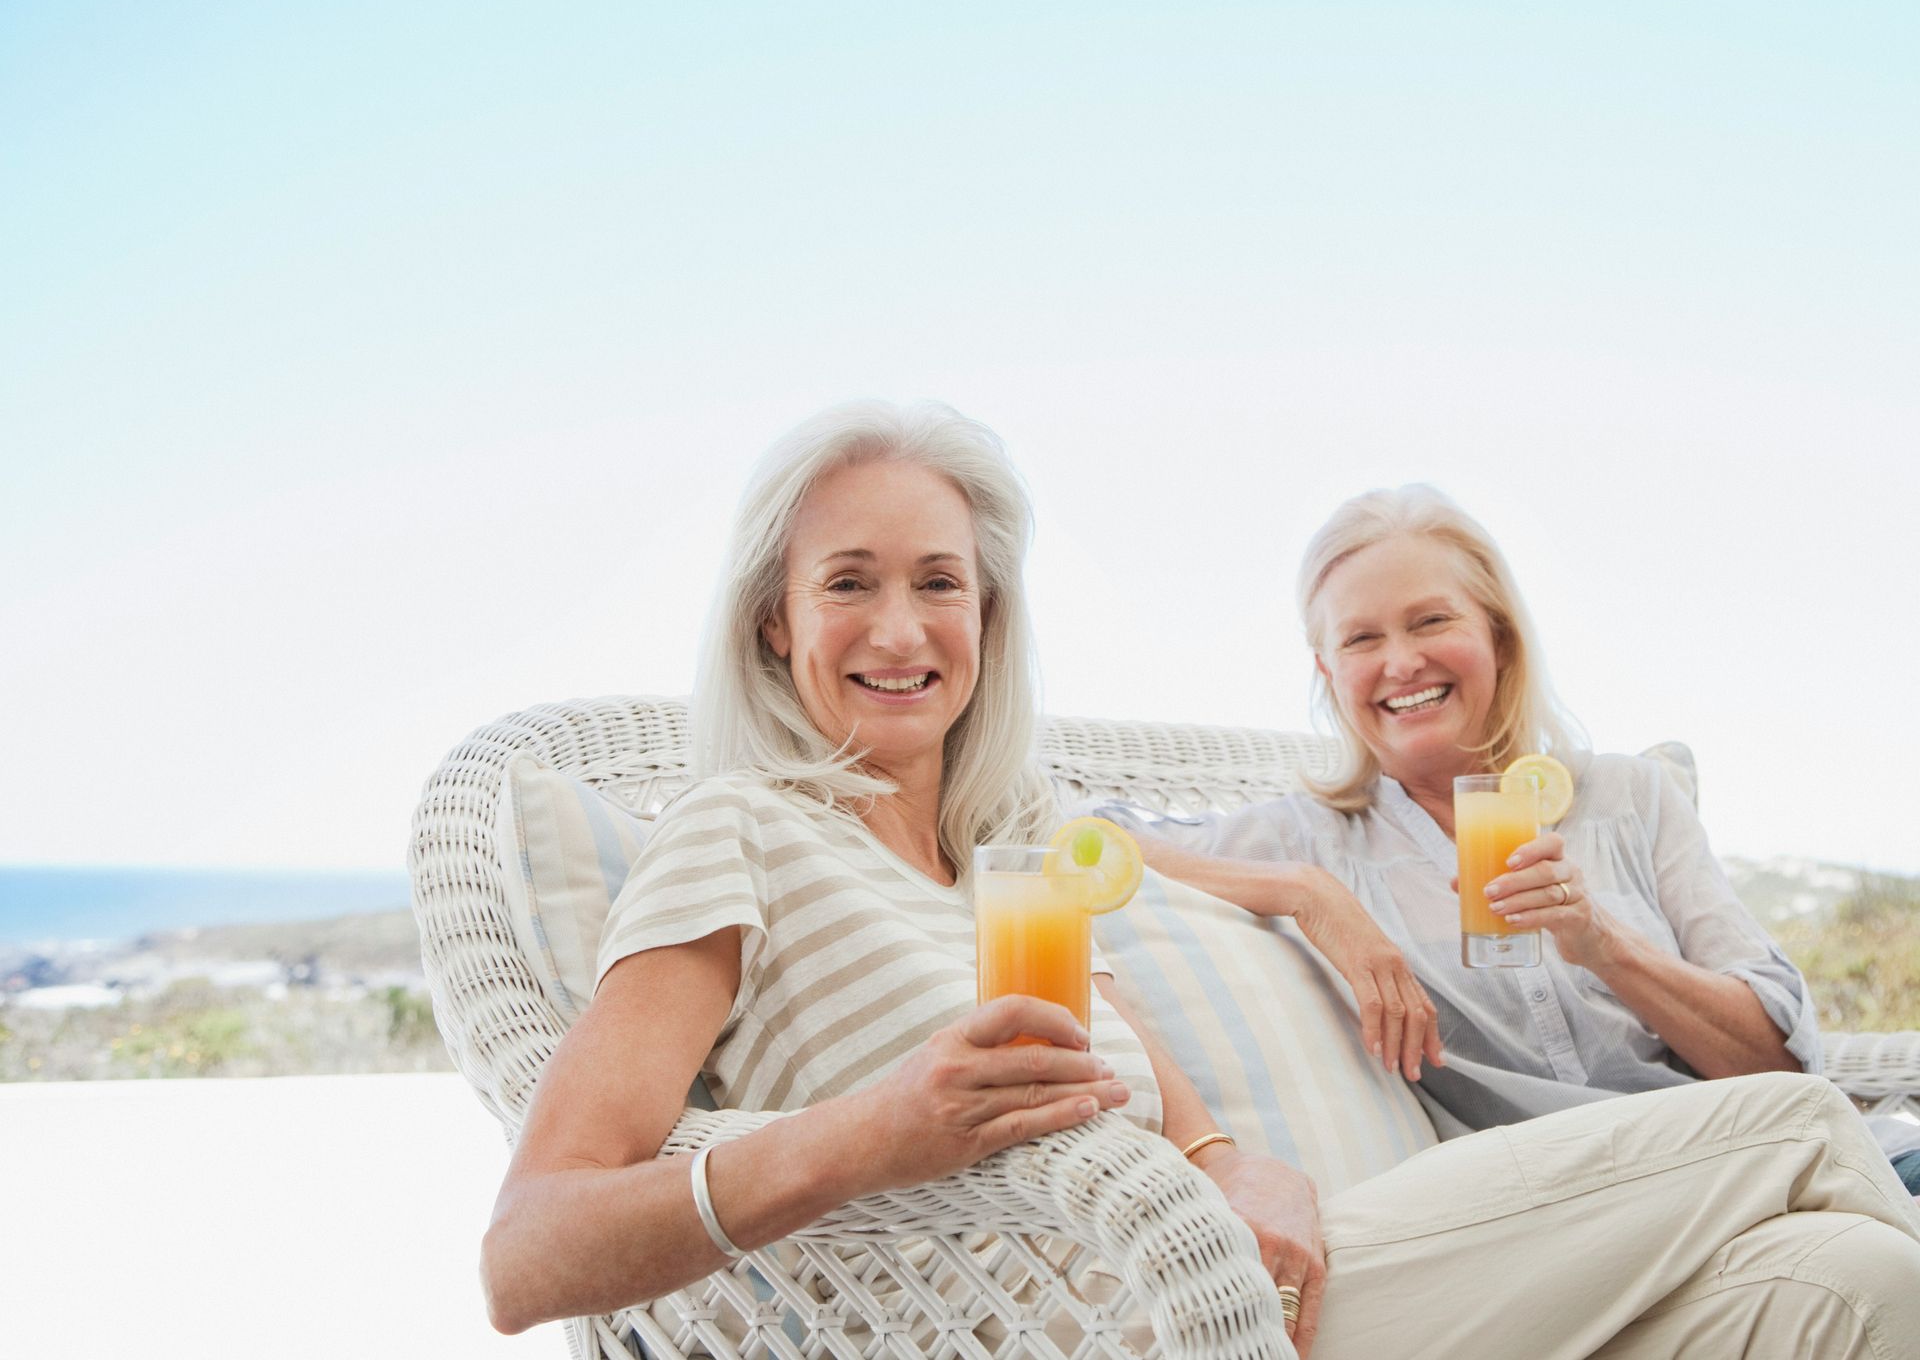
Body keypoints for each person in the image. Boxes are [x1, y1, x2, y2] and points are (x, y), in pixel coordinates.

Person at [479, 406, 1920, 1357]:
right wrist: (874, 1133)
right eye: (849, 581)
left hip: (1251, 1286)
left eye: (943, 582)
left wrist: (1233, 1160)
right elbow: (526, 1254)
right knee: (1793, 1123)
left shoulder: (1007, 864)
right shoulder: (738, 830)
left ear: (990, 619)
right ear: (777, 626)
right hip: (1137, 1324)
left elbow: (1183, 1123)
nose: (902, 626)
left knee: (1861, 1290)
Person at [1096, 483, 1920, 1192]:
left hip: (1822, 1161)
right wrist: (1306, 894)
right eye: (1361, 639)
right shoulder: (1307, 840)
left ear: (1497, 635)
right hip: (1639, 1202)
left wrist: (1602, 944)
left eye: (1430, 620)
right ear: (1327, 672)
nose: (1402, 662)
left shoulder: (1630, 797)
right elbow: (1072, 835)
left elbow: (1778, 1063)